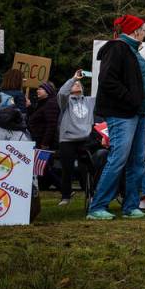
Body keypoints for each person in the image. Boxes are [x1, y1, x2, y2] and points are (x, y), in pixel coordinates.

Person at [86, 14, 145, 220]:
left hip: (138, 113)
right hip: (123, 113)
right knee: (118, 159)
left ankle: (130, 205)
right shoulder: (118, 48)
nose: (144, 34)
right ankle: (97, 206)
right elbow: (107, 80)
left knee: (136, 161)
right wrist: (132, 99)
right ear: (135, 31)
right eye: (143, 30)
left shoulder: (131, 51)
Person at [56, 70, 96, 205]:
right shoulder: (65, 102)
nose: (77, 84)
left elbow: (104, 93)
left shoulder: (90, 101)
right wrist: (73, 78)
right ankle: (65, 196)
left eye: (79, 83)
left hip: (85, 139)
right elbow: (62, 92)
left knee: (87, 169)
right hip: (67, 140)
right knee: (67, 169)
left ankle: (90, 195)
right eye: (75, 84)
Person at [27, 81, 60, 150]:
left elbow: (51, 125)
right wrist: (30, 107)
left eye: (40, 89)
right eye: (38, 89)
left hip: (43, 143)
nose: (37, 91)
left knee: (43, 160)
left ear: (48, 91)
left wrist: (45, 143)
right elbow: (38, 117)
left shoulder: (51, 103)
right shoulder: (42, 102)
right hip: (38, 139)